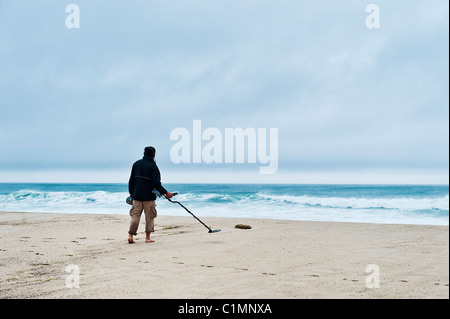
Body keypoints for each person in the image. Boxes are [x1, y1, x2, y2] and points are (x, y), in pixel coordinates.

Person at [127, 146, 172, 244]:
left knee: (135, 216)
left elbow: (131, 180)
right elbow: (157, 184)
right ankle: (147, 238)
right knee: (150, 217)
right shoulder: (153, 166)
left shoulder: (136, 164)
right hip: (149, 197)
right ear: (153, 154)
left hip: (137, 196)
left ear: (144, 153)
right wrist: (166, 193)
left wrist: (131, 192)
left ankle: (130, 236)